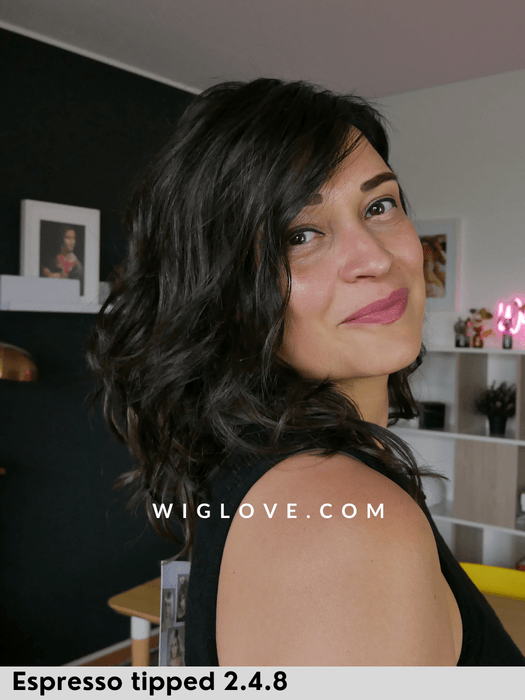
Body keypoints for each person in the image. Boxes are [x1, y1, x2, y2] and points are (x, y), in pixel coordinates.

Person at [88, 78, 525, 666]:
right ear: (224, 290)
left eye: (379, 206)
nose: (375, 258)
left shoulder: (285, 472)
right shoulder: (342, 531)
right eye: (301, 234)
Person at [42, 226, 84, 295]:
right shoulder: (55, 258)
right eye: (68, 238)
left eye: (73, 238)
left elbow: (63, 279)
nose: (72, 242)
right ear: (61, 239)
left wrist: (49, 275)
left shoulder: (75, 262)